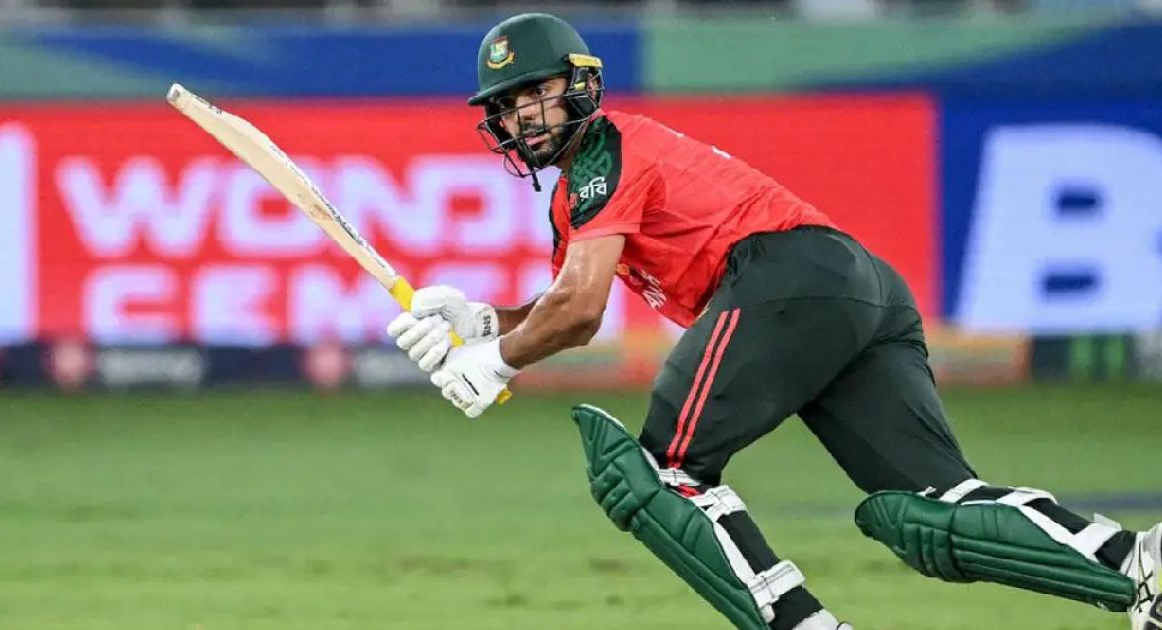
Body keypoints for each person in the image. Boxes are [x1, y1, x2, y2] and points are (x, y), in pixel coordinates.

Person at [385, 12, 1162, 630]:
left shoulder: (604, 153)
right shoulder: (581, 188)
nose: (522, 115)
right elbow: (565, 306)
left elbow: (578, 310)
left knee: (659, 476)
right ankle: (1139, 565)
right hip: (852, 287)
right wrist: (485, 322)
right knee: (931, 511)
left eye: (535, 92)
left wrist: (497, 364)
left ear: (582, 84)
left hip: (783, 278)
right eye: (506, 104)